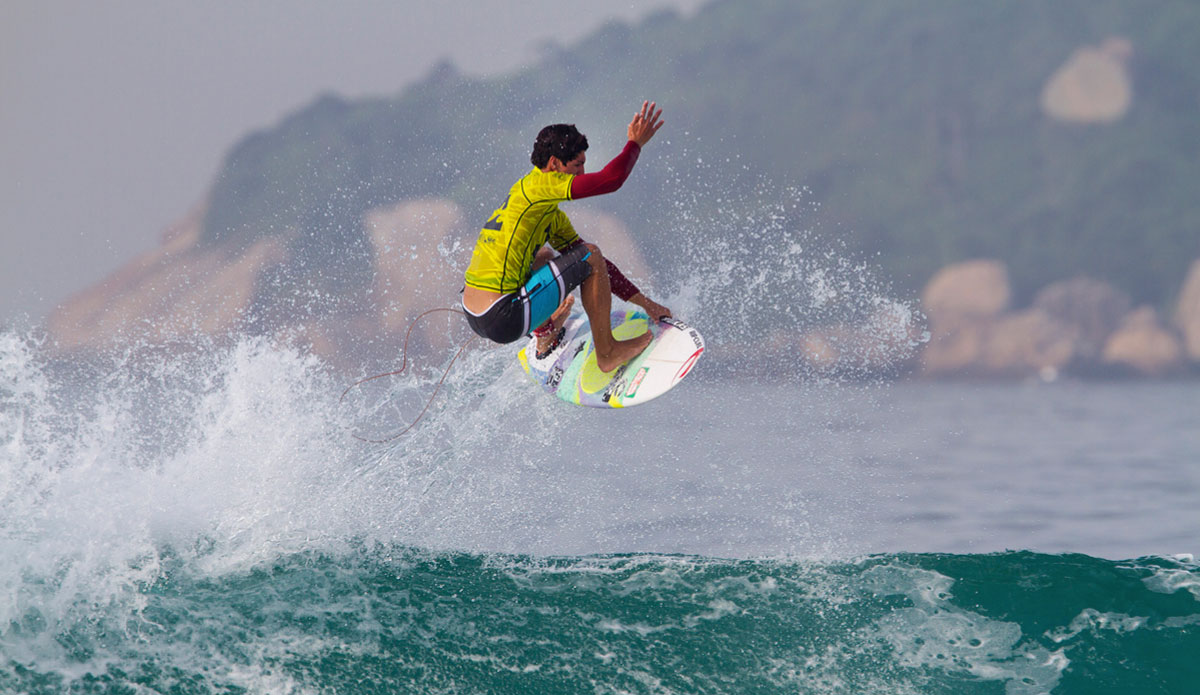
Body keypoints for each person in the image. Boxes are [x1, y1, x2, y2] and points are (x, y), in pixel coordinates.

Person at [461, 100, 672, 373]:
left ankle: (544, 332)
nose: (582, 174)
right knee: (589, 253)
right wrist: (635, 143)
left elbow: (598, 268)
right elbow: (612, 180)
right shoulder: (540, 187)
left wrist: (647, 304)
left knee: (547, 255)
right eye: (577, 165)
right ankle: (607, 352)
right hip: (504, 316)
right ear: (554, 164)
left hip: (474, 312)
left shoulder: (537, 203)